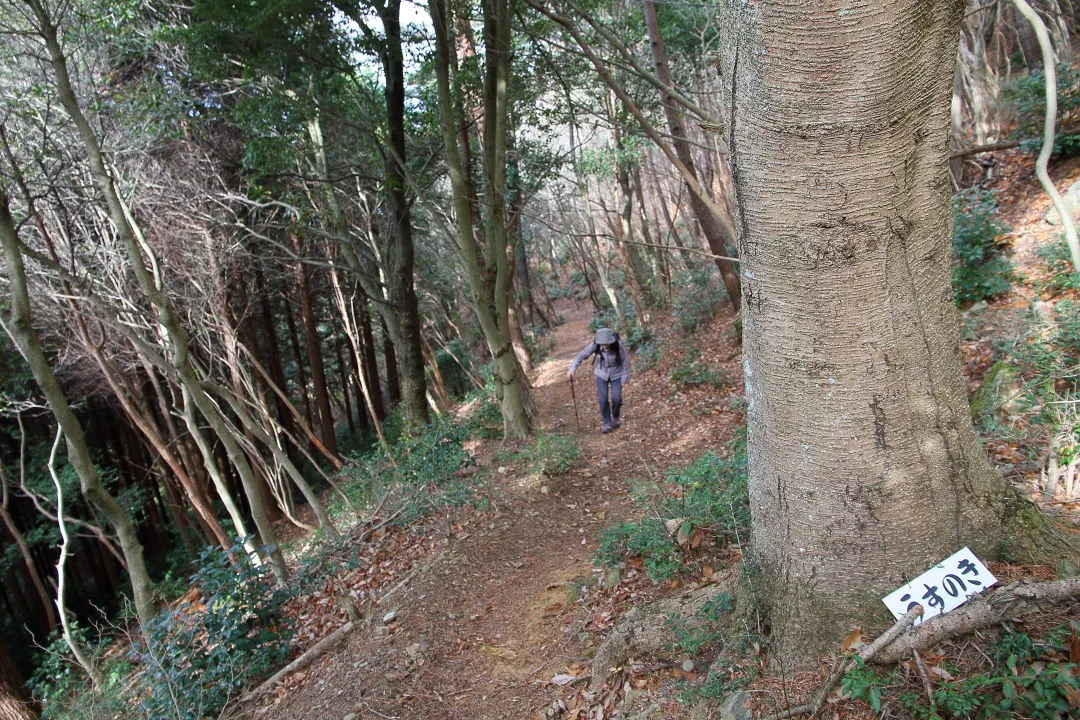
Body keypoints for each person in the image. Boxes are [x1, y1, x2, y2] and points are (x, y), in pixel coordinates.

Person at [568, 327, 630, 433]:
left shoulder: (618, 345)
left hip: (617, 374)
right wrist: (572, 369)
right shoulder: (596, 345)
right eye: (603, 343)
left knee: (617, 399)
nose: (604, 345)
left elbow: (625, 361)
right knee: (603, 399)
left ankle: (615, 417)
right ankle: (607, 423)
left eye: (606, 343)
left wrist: (624, 377)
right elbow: (582, 355)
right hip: (601, 374)